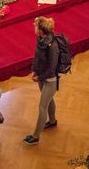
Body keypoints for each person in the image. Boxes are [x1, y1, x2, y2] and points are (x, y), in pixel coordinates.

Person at [23, 16, 60, 145]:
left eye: (35, 26)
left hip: (50, 79)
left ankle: (36, 136)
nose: (34, 27)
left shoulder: (53, 46)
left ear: (41, 30)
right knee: (49, 100)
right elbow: (37, 56)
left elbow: (52, 68)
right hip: (41, 76)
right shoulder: (40, 39)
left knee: (42, 107)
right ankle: (53, 121)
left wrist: (40, 77)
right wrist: (34, 70)